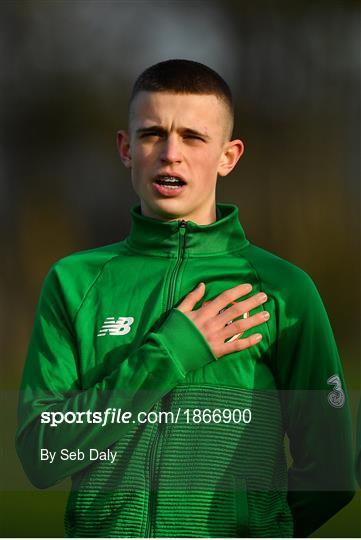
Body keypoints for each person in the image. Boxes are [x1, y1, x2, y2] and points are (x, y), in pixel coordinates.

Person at [16, 59, 355, 538]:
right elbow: (42, 456)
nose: (170, 153)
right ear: (126, 148)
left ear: (228, 155)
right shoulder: (73, 281)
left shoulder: (283, 290)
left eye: (193, 137)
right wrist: (170, 353)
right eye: (153, 133)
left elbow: (333, 477)